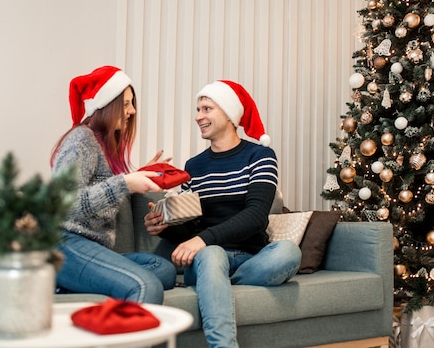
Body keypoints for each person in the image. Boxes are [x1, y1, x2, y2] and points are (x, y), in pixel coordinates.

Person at [144, 80, 302, 347]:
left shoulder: (260, 155)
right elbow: (188, 225)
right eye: (197, 109)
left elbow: (256, 216)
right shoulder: (194, 166)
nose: (198, 116)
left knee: (289, 252)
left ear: (229, 114)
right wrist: (164, 225)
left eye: (207, 108)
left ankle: (216, 283)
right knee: (211, 253)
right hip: (207, 256)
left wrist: (202, 239)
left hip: (251, 257)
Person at [51, 65, 177, 304]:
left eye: (132, 103)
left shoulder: (102, 145)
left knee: (164, 269)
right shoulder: (81, 139)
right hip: (64, 243)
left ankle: (72, 285)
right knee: (146, 284)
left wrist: (139, 175)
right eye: (126, 103)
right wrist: (125, 182)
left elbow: (102, 190)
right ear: (107, 104)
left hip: (93, 248)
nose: (132, 111)